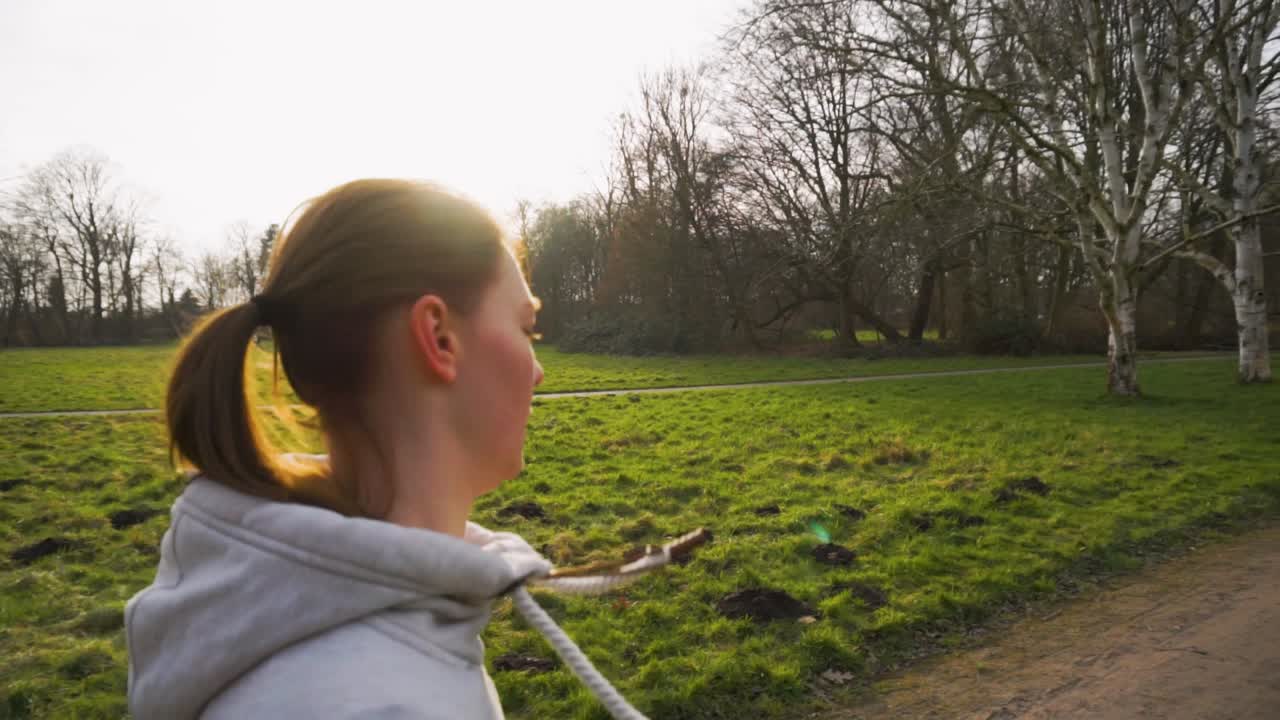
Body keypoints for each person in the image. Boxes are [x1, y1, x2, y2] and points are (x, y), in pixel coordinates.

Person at [125, 179, 554, 719]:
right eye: (526, 328)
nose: (538, 372)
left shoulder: (347, 610)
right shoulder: (377, 703)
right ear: (439, 337)